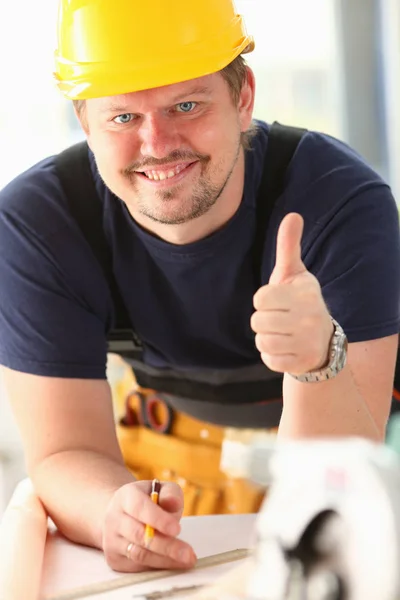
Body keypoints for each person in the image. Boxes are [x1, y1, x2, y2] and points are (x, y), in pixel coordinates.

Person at [0, 0, 399, 575]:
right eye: (121, 118)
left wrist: (317, 360)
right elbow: (66, 452)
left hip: (326, 430)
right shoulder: (41, 223)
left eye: (185, 104)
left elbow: (336, 482)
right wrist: (111, 511)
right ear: (85, 124)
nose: (157, 143)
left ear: (243, 100)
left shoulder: (341, 202)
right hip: (166, 439)